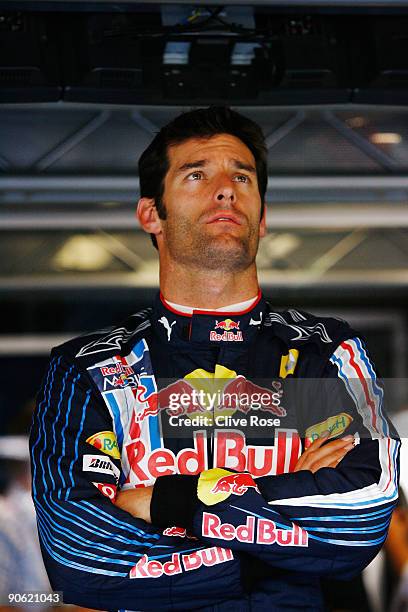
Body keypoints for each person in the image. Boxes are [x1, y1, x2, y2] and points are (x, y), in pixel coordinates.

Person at [30, 107, 399, 611]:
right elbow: (80, 555)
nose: (225, 189)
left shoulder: (323, 351)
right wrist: (273, 552)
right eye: (197, 174)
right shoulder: (89, 368)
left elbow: (358, 518)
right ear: (150, 214)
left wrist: (165, 502)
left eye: (241, 176)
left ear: (263, 217)